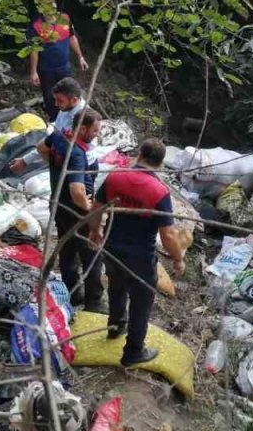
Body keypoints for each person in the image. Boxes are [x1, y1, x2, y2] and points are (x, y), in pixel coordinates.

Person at [90, 138, 186, 366]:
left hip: (112, 248)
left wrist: (95, 231)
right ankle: (133, 352)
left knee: (116, 286)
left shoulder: (115, 176)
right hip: (140, 257)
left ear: (140, 154)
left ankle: (115, 327)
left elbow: (96, 208)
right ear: (160, 163)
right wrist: (178, 259)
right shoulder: (159, 192)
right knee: (141, 303)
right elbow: (168, 235)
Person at [37, 108, 104, 311]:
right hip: (77, 212)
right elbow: (77, 190)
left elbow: (41, 147)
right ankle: (94, 303)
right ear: (82, 129)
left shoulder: (58, 136)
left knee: (67, 249)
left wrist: (56, 169)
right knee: (92, 255)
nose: (97, 134)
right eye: (95, 130)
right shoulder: (76, 153)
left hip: (58, 204)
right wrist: (89, 207)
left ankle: (72, 294)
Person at [28, 0, 89, 120]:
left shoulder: (64, 19)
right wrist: (33, 72)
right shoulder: (37, 26)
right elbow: (34, 50)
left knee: (71, 94)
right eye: (49, 3)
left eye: (54, 2)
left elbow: (72, 38)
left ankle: (75, 120)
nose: (54, 5)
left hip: (64, 68)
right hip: (46, 70)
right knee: (51, 100)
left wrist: (80, 57)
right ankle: (55, 123)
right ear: (41, 7)